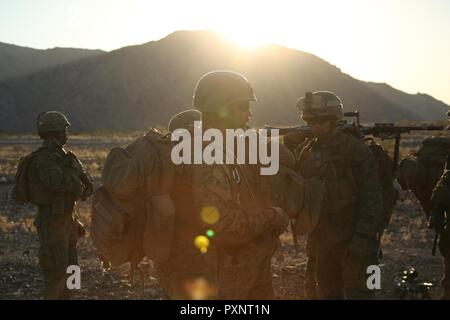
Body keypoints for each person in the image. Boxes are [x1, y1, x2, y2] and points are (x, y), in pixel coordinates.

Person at [155, 70, 290, 299]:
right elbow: (224, 225)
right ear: (221, 109)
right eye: (242, 106)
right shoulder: (209, 155)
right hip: (211, 275)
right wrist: (272, 216)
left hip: (201, 270)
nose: (249, 113)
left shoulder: (204, 145)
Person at [295, 91, 383, 299]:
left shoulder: (356, 150)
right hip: (324, 240)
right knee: (326, 292)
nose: (316, 125)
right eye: (311, 120)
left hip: (356, 238)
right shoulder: (308, 151)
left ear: (334, 120)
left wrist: (364, 237)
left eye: (321, 120)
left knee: (362, 293)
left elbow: (372, 196)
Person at [25, 111, 92, 299]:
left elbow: (78, 184)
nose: (66, 134)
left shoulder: (63, 156)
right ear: (55, 132)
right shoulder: (44, 159)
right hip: (52, 221)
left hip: (67, 219)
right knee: (56, 274)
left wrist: (82, 180)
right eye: (64, 130)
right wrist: (75, 172)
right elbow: (58, 182)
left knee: (73, 272)